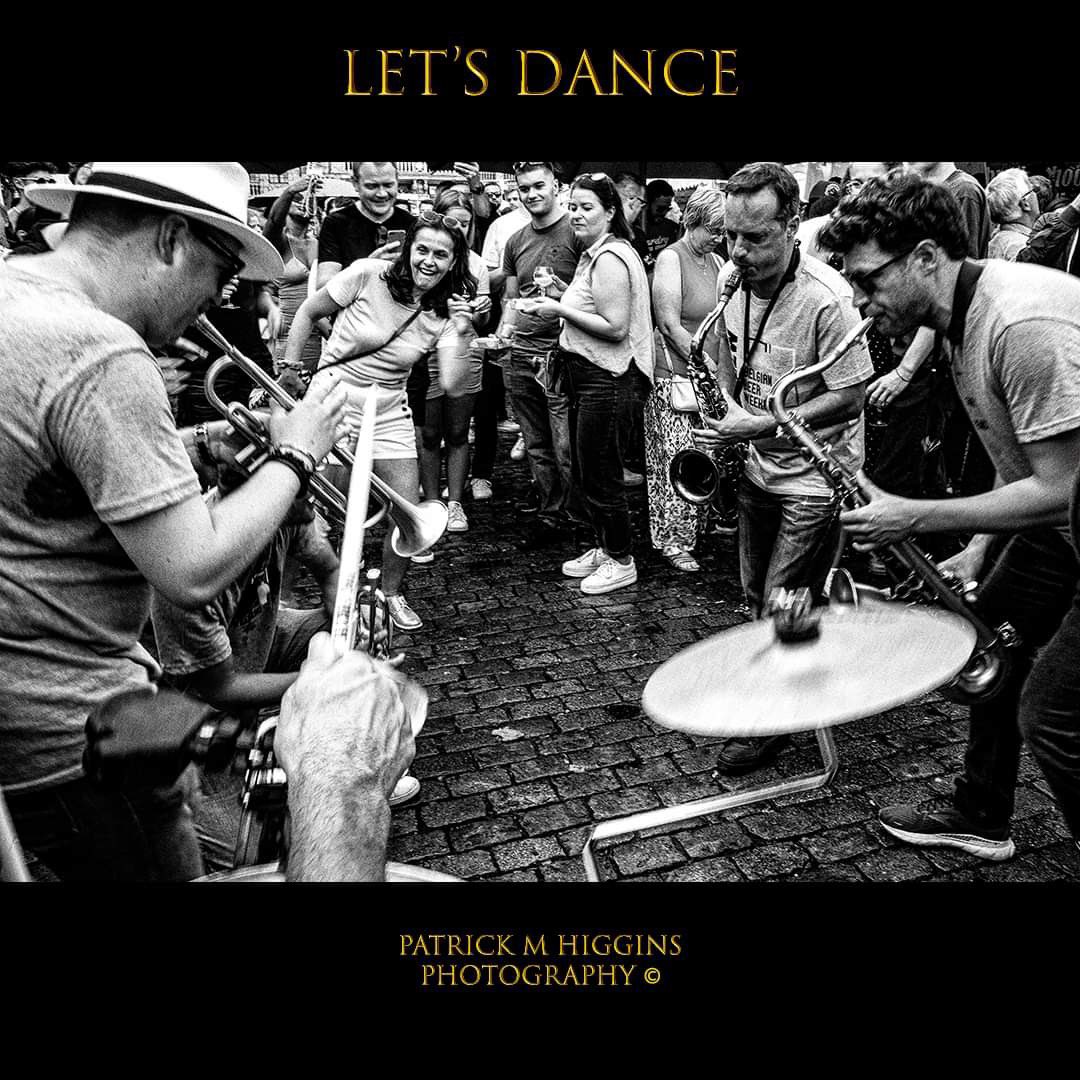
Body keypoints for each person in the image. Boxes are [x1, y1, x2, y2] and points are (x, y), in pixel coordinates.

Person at [0, 162, 349, 881]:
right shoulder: (100, 349)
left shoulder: (13, 293)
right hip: (82, 732)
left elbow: (44, 480)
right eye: (220, 276)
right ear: (170, 237)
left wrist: (196, 449)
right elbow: (192, 570)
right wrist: (296, 452)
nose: (214, 303)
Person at [818, 170, 1080, 860]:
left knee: (1052, 716)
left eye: (870, 280)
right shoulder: (960, 315)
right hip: (1058, 531)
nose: (860, 300)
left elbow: (1061, 488)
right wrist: (978, 548)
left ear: (928, 257)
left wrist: (916, 517)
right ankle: (982, 814)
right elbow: (1017, 447)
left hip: (1069, 511)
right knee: (991, 642)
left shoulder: (1018, 323)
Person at [692, 161, 873, 774]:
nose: (738, 252)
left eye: (755, 238)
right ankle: (797, 686)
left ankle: (773, 722)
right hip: (757, 467)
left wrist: (761, 423)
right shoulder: (732, 279)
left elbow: (851, 395)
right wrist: (722, 402)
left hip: (816, 479)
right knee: (755, 595)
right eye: (731, 237)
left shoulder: (828, 298)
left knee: (779, 597)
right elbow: (719, 352)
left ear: (792, 224)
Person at [283, 210, 475, 634]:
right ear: (408, 250)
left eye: (440, 254)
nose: (429, 260)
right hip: (335, 393)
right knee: (319, 507)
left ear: (453, 262)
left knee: (405, 506)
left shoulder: (443, 312)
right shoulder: (368, 273)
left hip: (388, 406)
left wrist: (462, 332)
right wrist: (291, 365)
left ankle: (390, 593)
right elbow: (307, 312)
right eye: (421, 249)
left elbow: (453, 382)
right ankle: (295, 596)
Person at [150, 460, 340, 872]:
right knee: (255, 856)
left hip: (252, 644)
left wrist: (347, 623)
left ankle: (340, 763)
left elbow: (329, 569)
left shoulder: (291, 512)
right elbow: (218, 688)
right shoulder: (192, 569)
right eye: (304, 487)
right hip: (188, 715)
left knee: (340, 633)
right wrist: (320, 679)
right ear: (266, 496)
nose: (316, 499)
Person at [522, 172, 654, 596]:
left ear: (610, 212)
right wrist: (561, 291)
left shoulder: (612, 256)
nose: (576, 214)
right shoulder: (594, 254)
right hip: (591, 376)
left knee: (599, 474)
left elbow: (615, 327)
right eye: (573, 206)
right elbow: (593, 303)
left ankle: (621, 559)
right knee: (584, 467)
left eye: (587, 208)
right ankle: (604, 546)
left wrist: (555, 307)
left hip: (609, 378)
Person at [498, 161, 587, 532]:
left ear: (556, 186)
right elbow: (511, 297)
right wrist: (504, 332)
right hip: (520, 353)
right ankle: (552, 514)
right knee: (536, 444)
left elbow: (591, 299)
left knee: (567, 447)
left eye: (539, 186)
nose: (532, 194)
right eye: (524, 188)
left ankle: (580, 517)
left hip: (561, 354)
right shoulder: (515, 240)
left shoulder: (576, 232)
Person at [648, 185, 728, 572]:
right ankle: (673, 539)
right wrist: (702, 363)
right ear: (693, 220)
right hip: (676, 377)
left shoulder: (715, 260)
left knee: (705, 455)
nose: (719, 237)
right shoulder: (671, 258)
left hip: (707, 380)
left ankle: (697, 530)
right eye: (713, 229)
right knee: (676, 457)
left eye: (723, 230)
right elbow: (668, 323)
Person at [416, 190, 492, 534]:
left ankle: (455, 503)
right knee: (430, 433)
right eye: (453, 222)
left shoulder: (476, 265)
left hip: (464, 351)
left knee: (459, 432)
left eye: (465, 222)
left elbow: (482, 323)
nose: (460, 229)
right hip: (426, 352)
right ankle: (431, 503)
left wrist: (479, 314)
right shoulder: (425, 258)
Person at [316, 161, 416, 289]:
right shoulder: (336, 223)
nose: (382, 194)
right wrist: (367, 267)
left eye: (388, 185)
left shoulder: (411, 223)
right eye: (371, 186)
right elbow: (323, 285)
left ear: (397, 181)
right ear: (355, 184)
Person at [986, 168, 1039, 261]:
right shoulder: (1021, 247)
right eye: (1032, 190)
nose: (1036, 194)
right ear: (1025, 204)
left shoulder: (998, 239)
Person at [643, 179, 680, 274]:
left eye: (667, 208)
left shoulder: (672, 228)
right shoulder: (636, 231)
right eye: (660, 208)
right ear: (647, 204)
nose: (664, 213)